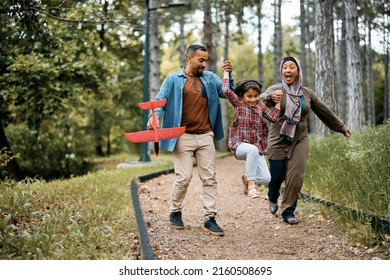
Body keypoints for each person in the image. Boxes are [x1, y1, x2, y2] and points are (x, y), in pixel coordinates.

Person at [146, 44, 234, 236]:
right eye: (201, 60)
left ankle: (210, 218)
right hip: (182, 136)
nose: (204, 64)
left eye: (206, 61)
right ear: (189, 58)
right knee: (184, 177)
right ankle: (175, 211)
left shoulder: (210, 78)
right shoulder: (173, 80)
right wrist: (153, 118)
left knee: (209, 178)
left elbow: (227, 93)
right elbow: (159, 101)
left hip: (205, 135)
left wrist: (228, 75)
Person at [260, 56, 352, 225]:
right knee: (277, 175)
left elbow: (324, 111)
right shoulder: (276, 89)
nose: (288, 70)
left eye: (292, 67)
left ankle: (288, 211)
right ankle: (272, 194)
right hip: (277, 136)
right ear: (281, 71)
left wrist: (341, 127)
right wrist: (271, 97)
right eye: (285, 67)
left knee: (296, 175)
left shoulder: (306, 93)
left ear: (298, 71)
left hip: (299, 137)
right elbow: (260, 101)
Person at [221, 70, 281, 199]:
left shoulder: (261, 106)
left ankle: (247, 177)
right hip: (239, 145)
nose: (253, 99)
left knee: (266, 179)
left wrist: (278, 103)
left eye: (256, 96)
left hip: (256, 148)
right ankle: (252, 187)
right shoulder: (239, 104)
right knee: (251, 149)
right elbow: (226, 91)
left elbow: (274, 118)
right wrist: (226, 72)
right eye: (249, 96)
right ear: (242, 96)